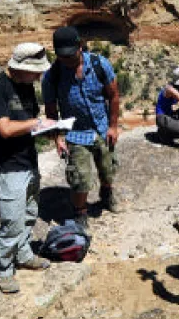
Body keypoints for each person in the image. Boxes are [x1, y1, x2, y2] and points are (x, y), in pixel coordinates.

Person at [0, 42, 56, 294]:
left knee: (28, 214)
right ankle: (2, 269)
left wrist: (53, 130)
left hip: (28, 160)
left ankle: (24, 256)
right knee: (12, 221)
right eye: (35, 71)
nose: (39, 76)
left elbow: (28, 126)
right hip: (8, 165)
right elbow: (4, 129)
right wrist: (37, 122)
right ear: (20, 67)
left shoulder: (26, 87)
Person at [43, 26, 121, 230]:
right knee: (80, 178)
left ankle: (106, 193)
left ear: (80, 46)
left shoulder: (99, 64)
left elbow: (113, 96)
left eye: (71, 55)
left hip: (102, 128)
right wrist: (58, 139)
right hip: (76, 133)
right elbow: (51, 111)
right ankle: (80, 214)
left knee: (108, 168)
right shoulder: (52, 76)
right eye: (62, 57)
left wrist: (113, 126)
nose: (67, 60)